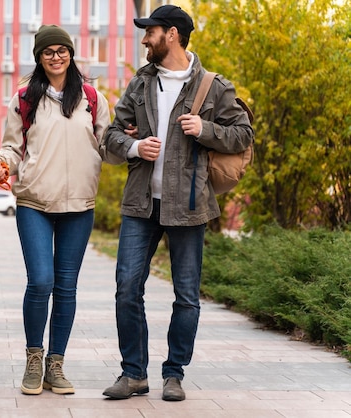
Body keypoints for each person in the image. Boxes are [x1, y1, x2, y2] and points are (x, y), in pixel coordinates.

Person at [101, 5, 254, 402]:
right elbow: (111, 137)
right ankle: (133, 373)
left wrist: (206, 129)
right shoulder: (141, 83)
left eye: (149, 32)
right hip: (141, 205)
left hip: (188, 206)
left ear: (171, 34)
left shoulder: (213, 86)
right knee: (126, 289)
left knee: (186, 295)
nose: (144, 38)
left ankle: (174, 374)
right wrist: (135, 145)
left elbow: (243, 135)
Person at [0, 24, 110, 395]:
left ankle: (56, 365)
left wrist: (134, 144)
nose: (56, 57)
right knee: (41, 282)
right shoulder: (25, 97)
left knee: (67, 288)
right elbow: (12, 147)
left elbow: (109, 143)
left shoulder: (91, 96)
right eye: (48, 51)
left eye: (62, 50)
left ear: (71, 54)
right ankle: (34, 358)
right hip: (35, 202)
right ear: (39, 57)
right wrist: (0, 162)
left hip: (79, 205)